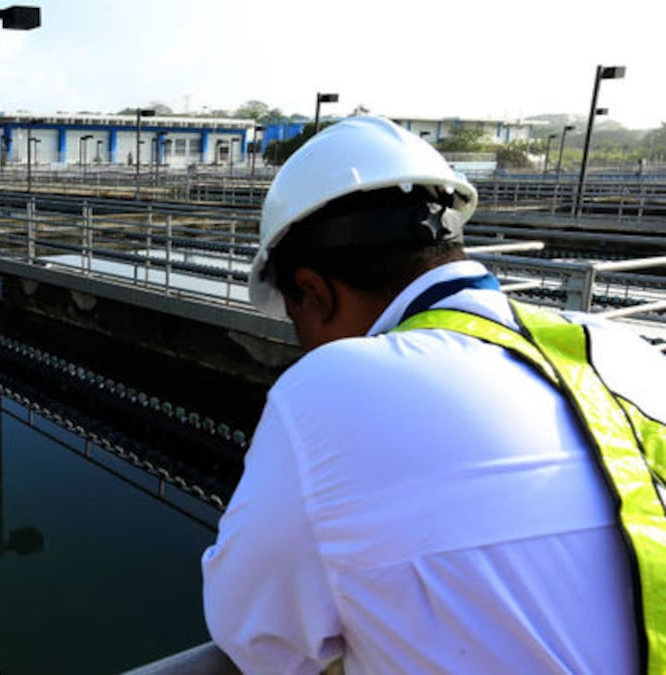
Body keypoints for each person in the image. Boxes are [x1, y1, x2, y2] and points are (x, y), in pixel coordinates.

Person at [201, 116, 665, 674]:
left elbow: (256, 635)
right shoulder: (623, 347)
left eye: (295, 319)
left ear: (312, 292)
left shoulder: (331, 389)